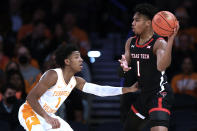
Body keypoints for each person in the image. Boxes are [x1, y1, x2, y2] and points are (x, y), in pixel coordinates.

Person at [18, 44, 138, 131]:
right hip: (29, 112)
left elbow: (99, 90)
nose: (81, 60)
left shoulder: (76, 81)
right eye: (76, 57)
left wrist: (127, 89)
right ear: (67, 61)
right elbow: (31, 98)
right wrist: (47, 117)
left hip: (48, 116)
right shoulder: (53, 75)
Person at [118, 3, 179, 131]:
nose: (133, 23)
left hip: (159, 93)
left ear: (148, 23)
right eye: (133, 20)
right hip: (144, 94)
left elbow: (162, 66)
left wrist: (171, 40)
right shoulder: (130, 42)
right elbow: (124, 65)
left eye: (137, 20)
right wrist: (123, 66)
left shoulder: (159, 43)